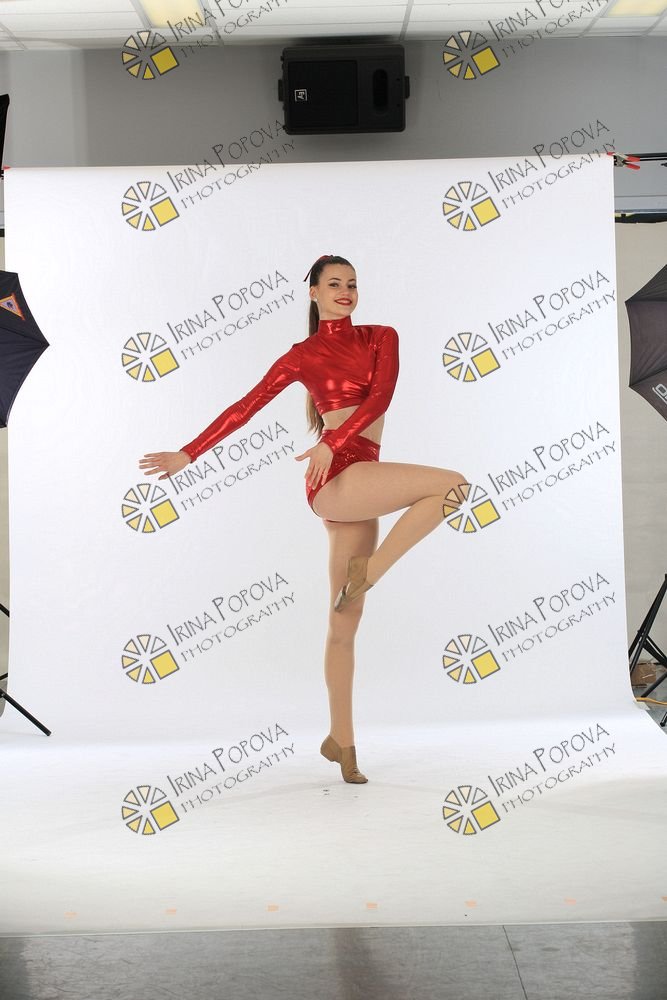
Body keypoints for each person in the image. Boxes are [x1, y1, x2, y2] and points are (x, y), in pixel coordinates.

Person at [140, 255, 467, 785]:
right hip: (334, 480)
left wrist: (335, 440)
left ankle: (342, 742)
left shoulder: (381, 337)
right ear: (313, 293)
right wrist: (188, 454)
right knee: (452, 484)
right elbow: (244, 407)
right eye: (334, 284)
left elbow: (381, 396)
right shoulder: (302, 356)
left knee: (344, 624)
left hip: (358, 475)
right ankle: (371, 572)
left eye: (352, 283)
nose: (345, 291)